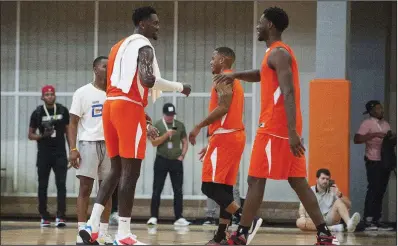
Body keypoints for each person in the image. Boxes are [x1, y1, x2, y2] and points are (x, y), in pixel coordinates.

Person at [214, 7, 339, 245]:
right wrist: (236, 74)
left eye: (260, 22)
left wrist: (292, 132)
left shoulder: (279, 53)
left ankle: (241, 233)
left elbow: (288, 91)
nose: (257, 26)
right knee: (298, 181)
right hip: (283, 128)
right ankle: (324, 234)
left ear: (270, 25)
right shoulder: (275, 53)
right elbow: (261, 74)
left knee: (255, 179)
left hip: (275, 127)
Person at [79, 6, 191, 245]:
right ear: (142, 24)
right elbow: (148, 79)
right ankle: (124, 234)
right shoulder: (144, 45)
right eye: (155, 23)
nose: (158, 26)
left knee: (116, 170)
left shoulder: (116, 47)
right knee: (131, 172)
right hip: (128, 107)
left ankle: (92, 225)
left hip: (110, 105)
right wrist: (181, 87)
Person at [189, 47, 259, 245]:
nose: (211, 62)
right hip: (231, 137)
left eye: (213, 58)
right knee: (224, 190)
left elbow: (223, 107)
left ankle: (246, 219)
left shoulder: (223, 78)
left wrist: (198, 126)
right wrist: (211, 138)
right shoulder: (231, 79)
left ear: (223, 59)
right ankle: (221, 235)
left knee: (208, 187)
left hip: (226, 138)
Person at [69, 56, 113, 245]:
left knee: (107, 190)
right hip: (88, 143)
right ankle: (81, 230)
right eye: (105, 66)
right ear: (95, 69)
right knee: (85, 188)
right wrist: (73, 148)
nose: (108, 69)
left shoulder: (114, 93)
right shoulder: (82, 92)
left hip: (110, 145)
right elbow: (72, 122)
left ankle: (102, 232)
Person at [28, 85, 71, 227]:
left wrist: (72, 150)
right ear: (42, 97)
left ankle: (61, 216)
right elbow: (30, 134)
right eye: (47, 94)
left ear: (55, 95)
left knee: (61, 185)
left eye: (52, 94)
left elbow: (68, 131)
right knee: (43, 185)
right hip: (44, 154)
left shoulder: (62, 110)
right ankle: (44, 216)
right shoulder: (37, 112)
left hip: (60, 154)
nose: (50, 96)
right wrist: (41, 136)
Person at [354, 100, 395, 231]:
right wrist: (375, 134)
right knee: (373, 189)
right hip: (373, 160)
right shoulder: (367, 123)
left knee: (381, 190)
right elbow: (357, 139)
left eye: (381, 108)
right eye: (378, 108)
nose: (381, 110)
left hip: (385, 160)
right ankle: (368, 219)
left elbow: (389, 142)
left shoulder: (386, 124)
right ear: (371, 111)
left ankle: (377, 219)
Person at [147, 103, 190, 226]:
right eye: (168, 115)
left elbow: (185, 141)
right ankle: (153, 216)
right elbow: (154, 143)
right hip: (161, 160)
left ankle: (179, 217)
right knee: (157, 189)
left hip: (176, 161)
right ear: (164, 114)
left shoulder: (179, 125)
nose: (170, 117)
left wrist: (182, 155)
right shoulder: (157, 125)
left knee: (178, 190)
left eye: (172, 115)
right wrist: (166, 135)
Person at [296, 169, 361, 233]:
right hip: (314, 220)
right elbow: (302, 206)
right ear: (317, 179)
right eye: (323, 178)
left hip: (329, 218)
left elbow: (349, 205)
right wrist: (302, 217)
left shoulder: (333, 190)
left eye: (327, 179)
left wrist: (340, 195)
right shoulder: (310, 191)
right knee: (299, 222)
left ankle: (349, 223)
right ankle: (331, 228)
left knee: (338, 202)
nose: (325, 181)